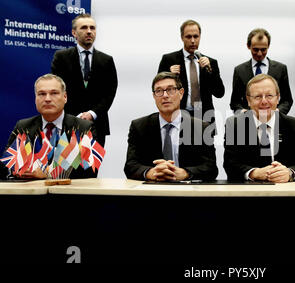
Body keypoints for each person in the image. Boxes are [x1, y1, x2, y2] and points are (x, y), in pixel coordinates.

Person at [124, 72, 218, 181]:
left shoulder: (201, 127)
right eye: (159, 91)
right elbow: (130, 166)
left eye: (170, 89)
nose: (165, 95)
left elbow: (211, 168)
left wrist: (185, 173)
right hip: (152, 191)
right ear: (154, 96)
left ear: (181, 93)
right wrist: (151, 172)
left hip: (188, 192)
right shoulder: (140, 126)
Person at [2, 74, 96, 179]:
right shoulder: (23, 126)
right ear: (35, 98)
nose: (47, 99)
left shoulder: (84, 127)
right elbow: (6, 165)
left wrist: (48, 174)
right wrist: (20, 170)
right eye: (41, 94)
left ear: (65, 97)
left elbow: (90, 170)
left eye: (54, 93)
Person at [223, 74, 295, 183]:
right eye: (258, 96)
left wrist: (289, 173)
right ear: (248, 100)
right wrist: (254, 173)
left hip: (285, 192)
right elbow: (230, 165)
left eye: (269, 95)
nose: (264, 101)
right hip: (248, 193)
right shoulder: (235, 125)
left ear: (278, 98)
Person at [51, 13, 118, 147]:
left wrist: (92, 114)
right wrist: (76, 116)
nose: (89, 31)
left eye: (92, 28)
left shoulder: (107, 60)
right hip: (67, 123)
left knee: (91, 168)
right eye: (84, 28)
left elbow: (110, 91)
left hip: (96, 125)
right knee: (66, 167)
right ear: (74, 32)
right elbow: (57, 89)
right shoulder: (61, 57)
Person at [157, 19, 224, 124]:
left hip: (204, 116)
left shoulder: (210, 62)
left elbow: (219, 93)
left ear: (200, 37)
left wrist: (209, 71)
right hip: (178, 115)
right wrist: (170, 76)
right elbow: (159, 91)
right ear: (182, 38)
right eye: (188, 37)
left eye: (196, 36)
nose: (193, 41)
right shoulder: (169, 60)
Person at [230, 28, 293, 115]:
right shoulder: (239, 70)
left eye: (263, 50)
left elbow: (287, 100)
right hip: (248, 122)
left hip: (274, 121)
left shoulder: (280, 69)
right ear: (248, 46)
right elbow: (234, 102)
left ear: (268, 46)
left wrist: (277, 112)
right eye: (255, 49)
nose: (259, 54)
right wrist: (242, 112)